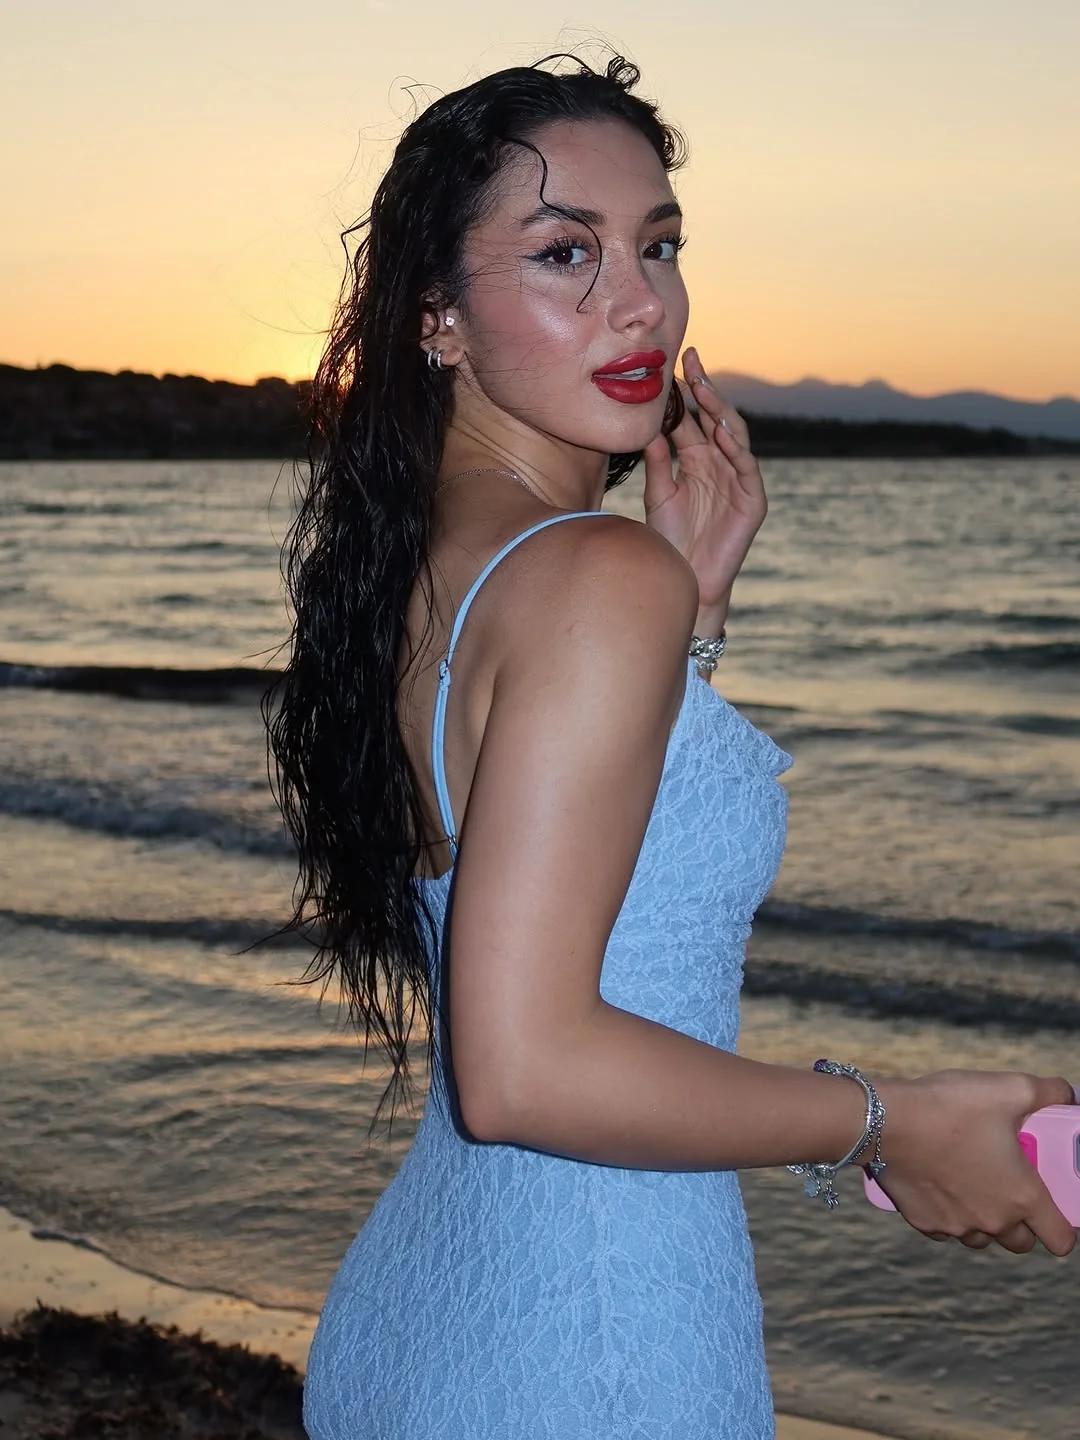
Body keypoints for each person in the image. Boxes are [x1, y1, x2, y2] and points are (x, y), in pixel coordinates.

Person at [262, 50, 1077, 1440]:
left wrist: (690, 622)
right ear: (436, 316)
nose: (640, 300)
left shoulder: (428, 568)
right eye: (564, 252)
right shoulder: (591, 574)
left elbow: (564, 873)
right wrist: (886, 1122)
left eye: (659, 243)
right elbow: (525, 1069)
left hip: (432, 1312)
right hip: (597, 1345)